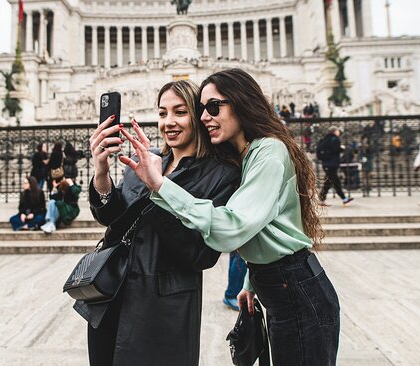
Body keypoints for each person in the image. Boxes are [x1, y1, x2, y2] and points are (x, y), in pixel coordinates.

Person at [121, 68, 340, 366]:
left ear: (241, 103)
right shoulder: (248, 154)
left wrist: (161, 185)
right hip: (280, 289)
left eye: (214, 107)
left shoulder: (270, 152)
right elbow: (267, 228)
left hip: (299, 292)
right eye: (201, 110)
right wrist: (251, 282)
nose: (204, 118)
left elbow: (233, 228)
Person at [75, 80, 241, 366]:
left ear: (198, 117)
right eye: (163, 113)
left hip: (163, 311)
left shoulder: (220, 175)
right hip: (111, 298)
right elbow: (113, 219)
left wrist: (158, 187)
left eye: (180, 112)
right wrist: (101, 172)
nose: (169, 122)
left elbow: (201, 255)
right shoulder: (150, 159)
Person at [317, 126, 354, 205]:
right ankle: (343, 198)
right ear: (334, 131)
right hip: (332, 163)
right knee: (332, 182)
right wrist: (342, 148)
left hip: (326, 163)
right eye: (338, 131)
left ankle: (342, 198)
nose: (339, 132)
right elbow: (335, 150)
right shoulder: (335, 139)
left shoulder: (324, 139)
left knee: (330, 181)